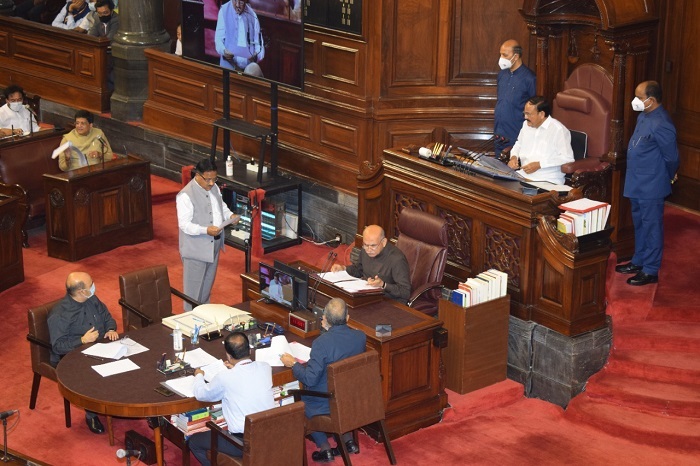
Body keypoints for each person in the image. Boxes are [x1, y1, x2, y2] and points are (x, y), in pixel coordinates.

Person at [280, 298, 366, 463]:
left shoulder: (321, 344)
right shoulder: (360, 337)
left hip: (327, 401)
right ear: (347, 318)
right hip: (350, 396)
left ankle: (324, 447)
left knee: (301, 399)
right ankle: (347, 441)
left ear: (324, 318)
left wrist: (293, 364)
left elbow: (309, 379)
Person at [615, 81, 680, 286]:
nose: (636, 101)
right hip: (636, 181)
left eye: (640, 97)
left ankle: (651, 269)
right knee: (640, 223)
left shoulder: (663, 123)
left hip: (651, 184)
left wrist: (669, 176)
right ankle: (639, 260)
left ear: (651, 100)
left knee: (652, 226)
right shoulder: (644, 115)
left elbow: (672, 158)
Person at [47, 271, 119, 435]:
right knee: (92, 373)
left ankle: (117, 402)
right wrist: (82, 340)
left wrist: (110, 329)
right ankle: (91, 415)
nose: (94, 286)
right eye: (91, 284)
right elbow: (57, 346)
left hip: (100, 345)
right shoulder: (60, 315)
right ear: (81, 291)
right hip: (72, 355)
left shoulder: (91, 299)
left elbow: (107, 316)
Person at [188, 331, 275, 465]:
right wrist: (235, 367)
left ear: (228, 356)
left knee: (194, 442)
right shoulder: (265, 367)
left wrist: (199, 375)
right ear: (249, 350)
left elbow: (201, 393)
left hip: (241, 443)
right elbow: (246, 379)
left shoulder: (225, 377)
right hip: (269, 435)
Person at [177, 158, 240, 310]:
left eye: (214, 179)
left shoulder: (214, 187)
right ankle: (190, 323)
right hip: (196, 249)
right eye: (208, 179)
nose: (211, 183)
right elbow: (184, 225)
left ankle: (204, 318)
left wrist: (230, 215)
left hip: (214, 244)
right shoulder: (185, 195)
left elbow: (221, 206)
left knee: (206, 288)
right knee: (192, 293)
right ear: (197, 175)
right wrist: (205, 230)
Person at [331, 225, 411, 303]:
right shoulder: (365, 249)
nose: (369, 250)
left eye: (373, 246)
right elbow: (359, 270)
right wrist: (344, 269)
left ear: (384, 242)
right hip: (367, 295)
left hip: (389, 300)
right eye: (366, 245)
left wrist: (383, 285)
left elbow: (405, 292)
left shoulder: (397, 259)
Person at [507, 96, 574, 185]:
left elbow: (567, 158)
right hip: (523, 176)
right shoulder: (526, 125)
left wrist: (540, 165)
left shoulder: (558, 130)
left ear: (541, 114)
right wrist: (513, 157)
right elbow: (518, 144)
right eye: (524, 113)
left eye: (529, 114)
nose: (525, 117)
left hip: (547, 179)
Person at [494, 39, 536, 157]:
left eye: (505, 55)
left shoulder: (530, 78)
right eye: (500, 54)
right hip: (499, 132)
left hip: (517, 134)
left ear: (516, 56)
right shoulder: (502, 74)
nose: (501, 58)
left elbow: (534, 110)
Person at [215, 0, 264, 77]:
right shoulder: (224, 11)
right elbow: (218, 40)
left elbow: (259, 46)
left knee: (254, 69)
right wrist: (224, 51)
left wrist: (256, 55)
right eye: (234, 1)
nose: (237, 5)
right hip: (230, 65)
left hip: (248, 69)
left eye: (241, 2)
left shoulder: (253, 15)